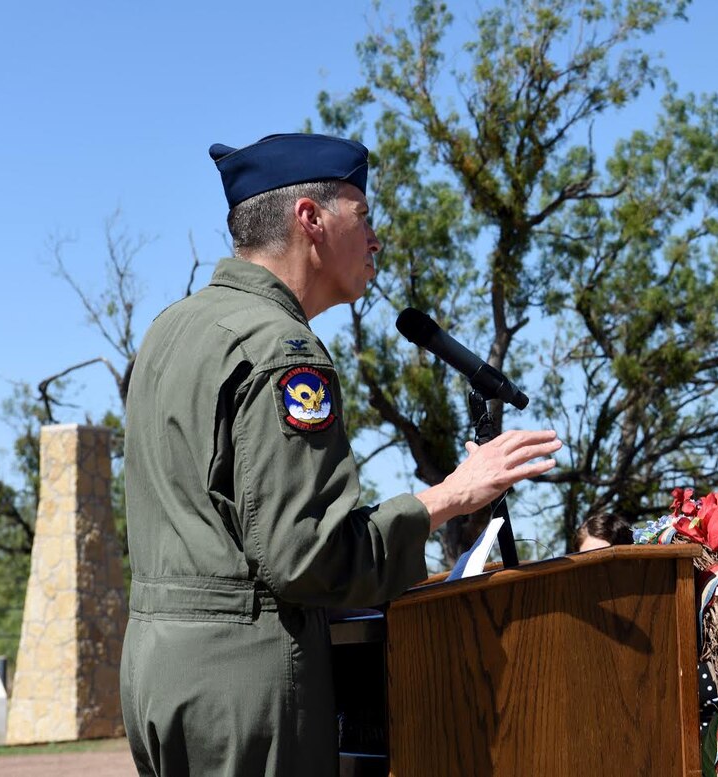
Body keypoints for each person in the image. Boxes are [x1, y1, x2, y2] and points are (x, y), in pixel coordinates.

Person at [119, 133, 562, 777]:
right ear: (311, 218)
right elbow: (306, 555)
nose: (376, 239)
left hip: (158, 671)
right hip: (243, 686)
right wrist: (449, 497)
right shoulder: (282, 349)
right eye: (365, 215)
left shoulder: (172, 328)